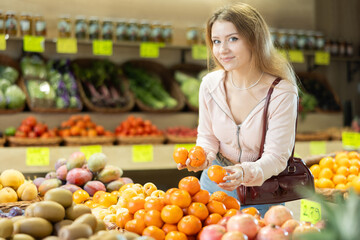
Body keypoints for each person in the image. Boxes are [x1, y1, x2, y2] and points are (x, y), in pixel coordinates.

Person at [178, 3, 298, 216]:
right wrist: (203, 157)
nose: (222, 50)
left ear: (254, 40)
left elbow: (278, 156)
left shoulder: (281, 92)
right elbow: (207, 137)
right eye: (216, 41)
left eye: (233, 39)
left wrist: (244, 172)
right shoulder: (210, 85)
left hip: (261, 195)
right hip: (213, 189)